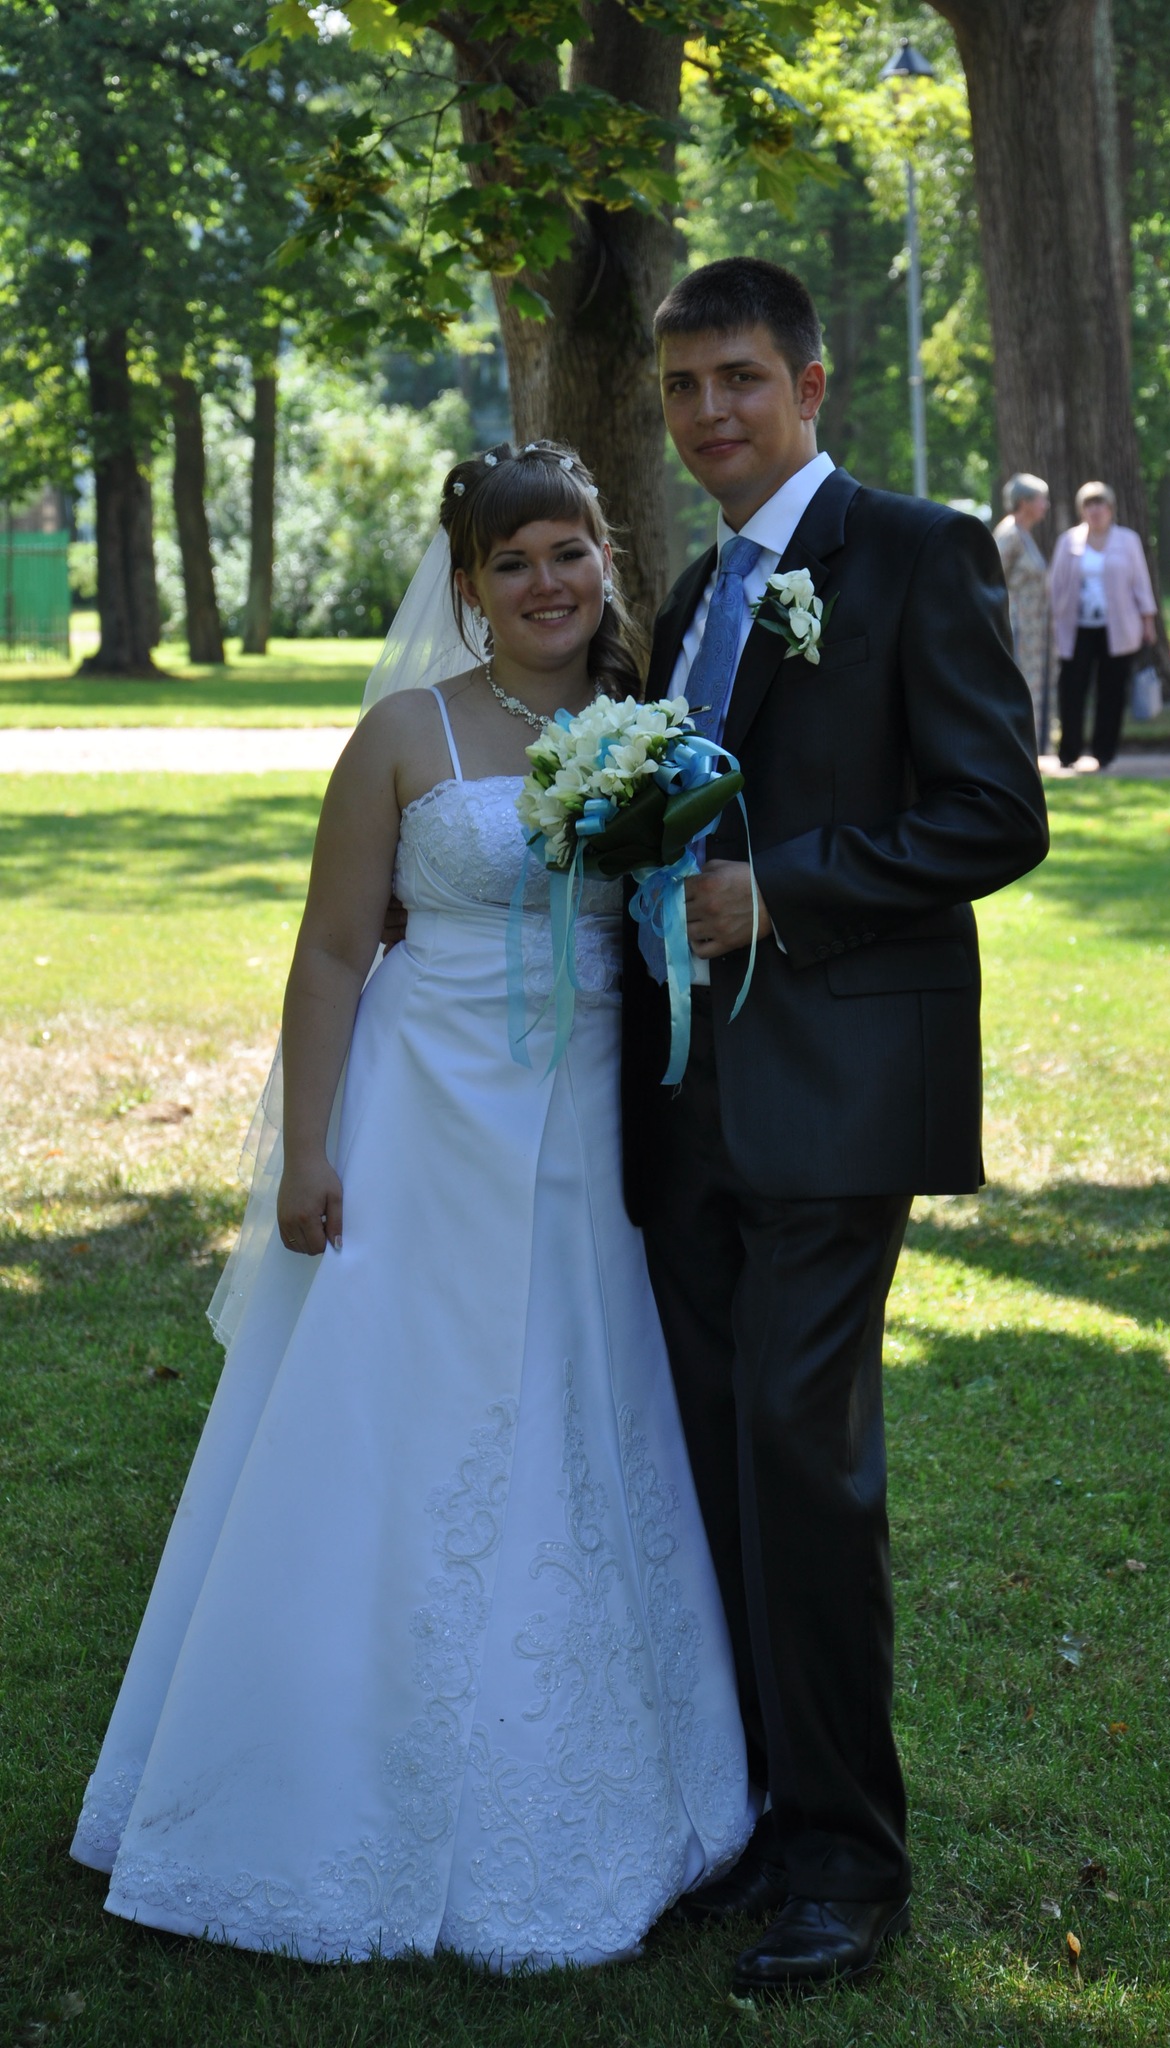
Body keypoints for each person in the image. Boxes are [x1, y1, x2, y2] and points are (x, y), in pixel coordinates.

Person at [70, 443, 754, 1968]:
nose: (546, 584)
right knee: (391, 1425)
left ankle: (596, 1785)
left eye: (568, 553)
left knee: (577, 1412)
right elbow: (332, 952)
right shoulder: (404, 735)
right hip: (420, 1121)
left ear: (605, 563)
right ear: (467, 587)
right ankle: (318, 1781)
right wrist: (309, 1150)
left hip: (588, 1132)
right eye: (511, 563)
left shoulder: (652, 728)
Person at [621, 257, 1050, 1997]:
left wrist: (777, 895)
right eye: (682, 386)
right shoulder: (690, 590)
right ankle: (752, 1813)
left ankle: (848, 1863)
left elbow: (994, 812)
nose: (708, 412)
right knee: (717, 1463)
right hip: (683, 1101)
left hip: (837, 1093)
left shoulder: (920, 551)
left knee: (804, 1465)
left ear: (810, 386)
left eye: (738, 377)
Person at [1049, 480, 1157, 769]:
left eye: (1100, 504)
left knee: (1111, 691)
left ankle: (1104, 752)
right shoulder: (1068, 541)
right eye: (1089, 505)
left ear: (1111, 509)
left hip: (1117, 628)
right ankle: (1069, 752)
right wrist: (1053, 620)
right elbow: (1055, 585)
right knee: (1072, 689)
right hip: (1076, 628)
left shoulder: (1128, 540)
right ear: (1081, 510)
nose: (1095, 511)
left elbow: (1141, 583)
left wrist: (1148, 620)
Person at [994, 473, 1052, 754]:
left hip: (1033, 628)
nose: (1046, 505)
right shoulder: (1009, 535)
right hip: (1016, 626)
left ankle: (1031, 748)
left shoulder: (1024, 534)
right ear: (1025, 502)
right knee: (1019, 685)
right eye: (1041, 499)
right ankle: (1015, 749)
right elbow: (990, 577)